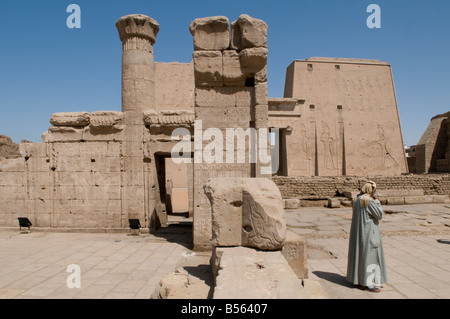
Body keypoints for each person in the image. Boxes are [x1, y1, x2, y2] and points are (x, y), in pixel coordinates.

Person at [346, 181, 387, 293]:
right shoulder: (369, 201)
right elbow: (379, 215)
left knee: (360, 256)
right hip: (370, 233)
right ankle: (372, 284)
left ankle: (361, 281)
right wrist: (377, 200)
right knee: (372, 258)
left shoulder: (356, 199)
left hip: (359, 233)